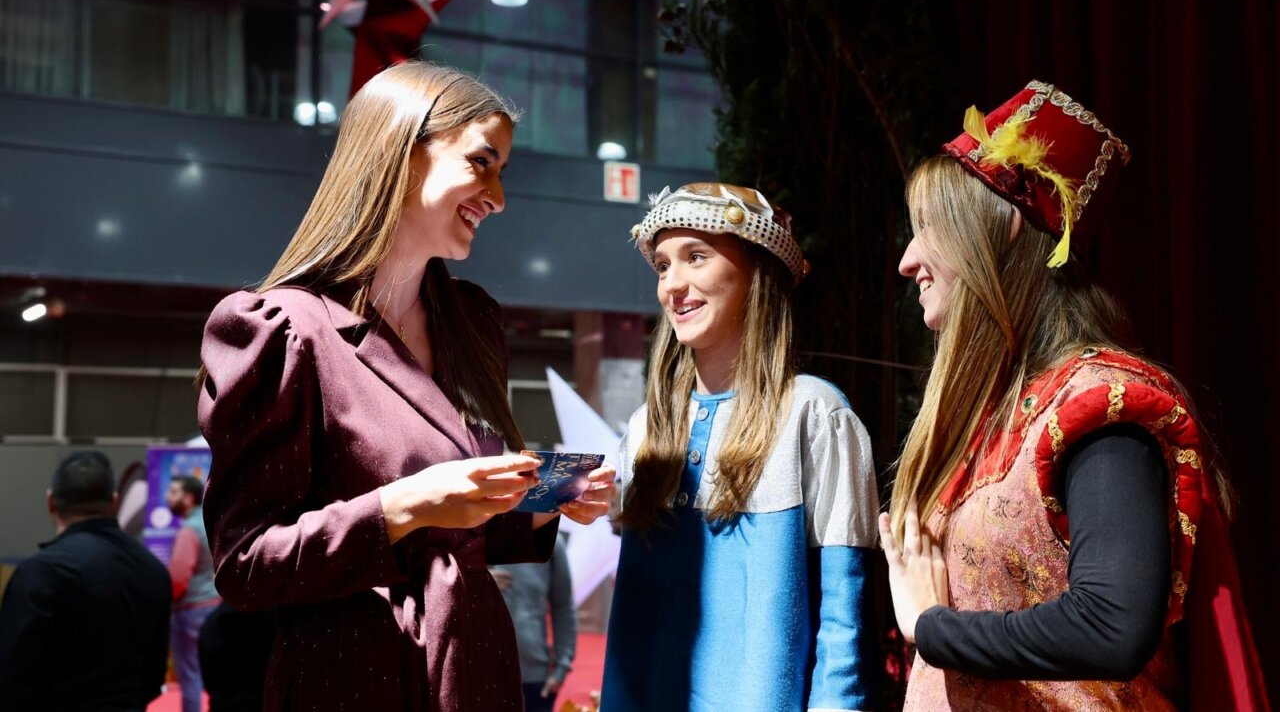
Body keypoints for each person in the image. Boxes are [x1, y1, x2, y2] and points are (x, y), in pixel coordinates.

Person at [197, 62, 616, 711]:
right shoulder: (285, 327)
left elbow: (465, 518)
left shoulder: (471, 322)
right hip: (354, 678)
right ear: (403, 153)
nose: (499, 196)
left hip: (477, 662)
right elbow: (246, 565)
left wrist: (547, 495)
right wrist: (404, 504)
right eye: (483, 162)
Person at [879, 80, 1267, 709]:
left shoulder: (1100, 407)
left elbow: (1112, 623)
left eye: (927, 229)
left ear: (1002, 230)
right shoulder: (996, 417)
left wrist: (933, 627)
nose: (906, 259)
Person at [602, 183, 879, 711]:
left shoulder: (814, 413)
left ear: (758, 272)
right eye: (662, 266)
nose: (672, 285)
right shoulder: (645, 428)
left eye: (696, 257)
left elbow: (844, 611)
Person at [0, 450, 170, 710]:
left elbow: (13, 674)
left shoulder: (40, 572)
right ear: (114, 503)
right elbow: (153, 674)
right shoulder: (154, 571)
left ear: (51, 503)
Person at [490, 532, 577, 712]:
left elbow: (563, 606)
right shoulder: (474, 532)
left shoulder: (550, 539)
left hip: (534, 676)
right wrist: (476, 580)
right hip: (481, 674)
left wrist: (562, 666)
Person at [166, 474, 221, 712]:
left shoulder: (189, 529)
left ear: (188, 498)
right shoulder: (212, 523)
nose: (168, 497)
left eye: (174, 492)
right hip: (217, 607)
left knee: (190, 676)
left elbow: (178, 579)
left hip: (191, 612)